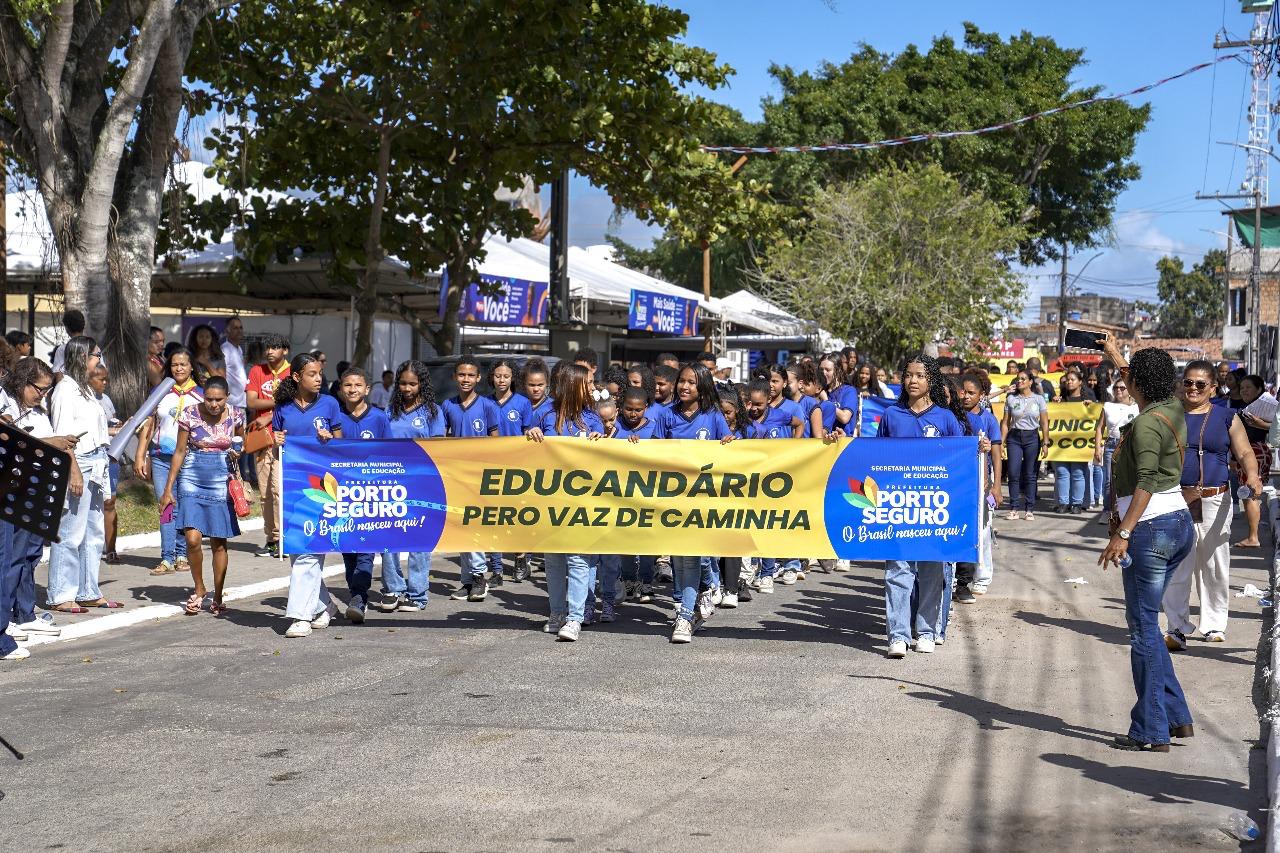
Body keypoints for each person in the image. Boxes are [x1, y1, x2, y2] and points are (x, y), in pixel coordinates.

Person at [1097, 344, 1195, 752]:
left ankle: (1150, 731)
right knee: (1149, 629)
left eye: (1128, 377)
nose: (1124, 381)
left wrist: (1123, 532)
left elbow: (1147, 479)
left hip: (1150, 530)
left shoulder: (1145, 425)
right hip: (1177, 524)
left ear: (1136, 383)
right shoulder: (1171, 407)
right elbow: (1141, 376)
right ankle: (1175, 716)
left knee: (1142, 632)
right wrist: (1113, 352)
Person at [1161, 361, 1260, 650]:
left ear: (1213, 388)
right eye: (1188, 382)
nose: (1193, 388)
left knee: (1214, 563)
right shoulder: (1168, 414)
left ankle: (1214, 624)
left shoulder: (1227, 417)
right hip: (1176, 497)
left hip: (1215, 498)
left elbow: (1245, 452)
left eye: (1200, 384)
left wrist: (1252, 475)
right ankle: (1177, 628)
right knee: (1177, 564)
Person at [877, 353, 966, 658]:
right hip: (898, 505)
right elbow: (875, 457)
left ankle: (926, 631)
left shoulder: (945, 418)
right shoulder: (891, 416)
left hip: (934, 506)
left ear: (931, 381)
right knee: (897, 570)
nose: (912, 380)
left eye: (919, 375)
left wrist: (978, 448)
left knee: (931, 569)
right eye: (908, 375)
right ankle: (898, 635)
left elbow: (960, 458)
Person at [0, 359, 79, 661]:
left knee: (28, 556)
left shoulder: (36, 410)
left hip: (33, 485)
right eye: (39, 389)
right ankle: (6, 622)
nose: (42, 395)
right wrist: (51, 442)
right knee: (8, 558)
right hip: (11, 486)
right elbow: (15, 442)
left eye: (47, 390)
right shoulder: (6, 401)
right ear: (22, 381)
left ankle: (22, 614)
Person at [654, 363, 736, 643]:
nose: (685, 386)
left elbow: (731, 450)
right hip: (674, 500)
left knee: (692, 557)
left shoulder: (713, 416)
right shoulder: (666, 415)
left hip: (702, 500)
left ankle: (685, 617)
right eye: (682, 381)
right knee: (679, 559)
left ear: (702, 387)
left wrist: (730, 444)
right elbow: (653, 453)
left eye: (691, 382)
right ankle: (702, 594)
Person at [528, 364, 604, 641]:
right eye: (588, 384)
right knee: (553, 560)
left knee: (578, 559)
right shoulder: (544, 414)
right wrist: (531, 436)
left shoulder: (593, 419)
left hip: (582, 502)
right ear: (573, 386)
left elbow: (606, 458)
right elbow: (525, 453)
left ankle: (575, 618)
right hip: (551, 501)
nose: (593, 389)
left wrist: (601, 441)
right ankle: (557, 613)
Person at [159, 376, 245, 616]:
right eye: (209, 399)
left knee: (219, 540)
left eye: (219, 400)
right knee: (192, 539)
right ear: (202, 396)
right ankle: (199, 589)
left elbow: (242, 442)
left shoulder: (237, 414)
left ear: (227, 398)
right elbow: (179, 451)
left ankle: (218, 596)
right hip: (192, 474)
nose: (214, 404)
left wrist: (238, 452)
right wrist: (168, 489)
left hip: (221, 475)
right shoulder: (189, 414)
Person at [47, 336, 118, 612]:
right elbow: (63, 436)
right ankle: (61, 593)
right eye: (96, 355)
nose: (99, 360)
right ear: (82, 356)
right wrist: (73, 471)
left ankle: (88, 590)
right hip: (80, 462)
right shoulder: (65, 390)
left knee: (93, 531)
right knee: (70, 529)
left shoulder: (85, 388)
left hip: (97, 461)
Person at [275, 353, 343, 638]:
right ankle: (324, 605)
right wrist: (276, 441)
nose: (318, 379)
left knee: (310, 547)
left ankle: (300, 617)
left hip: (323, 485)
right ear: (296, 376)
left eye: (320, 374)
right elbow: (276, 447)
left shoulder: (330, 404)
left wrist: (330, 441)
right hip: (293, 485)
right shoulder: (282, 408)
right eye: (312, 374)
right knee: (298, 549)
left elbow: (342, 445)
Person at [376, 359, 444, 613]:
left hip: (422, 483)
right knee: (387, 536)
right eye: (403, 383)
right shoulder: (388, 411)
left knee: (419, 539)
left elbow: (439, 449)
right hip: (391, 483)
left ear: (422, 384)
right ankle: (393, 588)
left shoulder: (433, 412)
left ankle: (417, 594)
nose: (407, 388)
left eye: (412, 384)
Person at [135, 348, 203, 575]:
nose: (179, 368)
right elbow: (148, 424)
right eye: (174, 365)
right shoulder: (160, 391)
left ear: (191, 367)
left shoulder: (202, 394)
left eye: (183, 364)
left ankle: (182, 555)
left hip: (189, 459)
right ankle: (166, 558)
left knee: (183, 507)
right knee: (166, 506)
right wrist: (141, 455)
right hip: (161, 458)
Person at [332, 366, 391, 622]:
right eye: (348, 385)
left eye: (358, 385)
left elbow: (390, 454)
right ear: (340, 389)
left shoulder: (379, 418)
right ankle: (355, 593)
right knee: (348, 548)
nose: (352, 389)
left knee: (366, 547)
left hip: (372, 493)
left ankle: (359, 596)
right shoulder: (334, 418)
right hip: (344, 494)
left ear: (367, 389)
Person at [442, 356, 500, 601]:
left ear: (478, 378)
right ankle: (466, 581)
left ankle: (479, 576)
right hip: (455, 475)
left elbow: (497, 443)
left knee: (474, 525)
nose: (466, 379)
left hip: (479, 476)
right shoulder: (447, 405)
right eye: (461, 375)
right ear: (455, 377)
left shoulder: (487, 406)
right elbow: (442, 440)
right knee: (460, 526)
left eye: (470, 375)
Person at [486, 358, 533, 584]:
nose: (501, 380)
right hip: (492, 468)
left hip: (517, 469)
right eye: (498, 376)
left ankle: (521, 558)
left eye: (506, 376)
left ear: (513, 378)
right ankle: (496, 569)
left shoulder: (523, 403)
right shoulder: (484, 403)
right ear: (491, 377)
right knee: (494, 520)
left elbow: (528, 436)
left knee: (516, 518)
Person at [956, 372, 1001, 601]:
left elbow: (997, 454)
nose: (966, 396)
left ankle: (982, 578)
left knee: (982, 530)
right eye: (963, 392)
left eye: (971, 393)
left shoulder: (989, 420)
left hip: (981, 483)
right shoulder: (952, 417)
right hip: (957, 483)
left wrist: (996, 486)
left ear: (981, 395)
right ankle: (956, 580)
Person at [246, 333, 291, 558]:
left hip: (284, 438)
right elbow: (251, 401)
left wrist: (271, 415)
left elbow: (298, 403)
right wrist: (280, 403)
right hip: (262, 439)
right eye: (267, 348)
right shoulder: (257, 370)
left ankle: (284, 538)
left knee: (278, 490)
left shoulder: (293, 372)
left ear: (285, 350)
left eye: (275, 347)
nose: (270, 351)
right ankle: (271, 539)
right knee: (264, 493)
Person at [1001, 370, 1049, 520]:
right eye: (1018, 379)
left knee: (1030, 474)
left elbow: (1044, 422)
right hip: (1014, 438)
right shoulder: (1011, 399)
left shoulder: (1039, 399)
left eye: (1023, 379)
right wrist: (1001, 442)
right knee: (1013, 473)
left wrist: (1045, 442)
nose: (1019, 381)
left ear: (1030, 382)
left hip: (1032, 437)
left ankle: (1029, 509)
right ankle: (1014, 508)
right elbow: (1005, 423)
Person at [1234, 374, 1272, 548]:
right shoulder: (1248, 408)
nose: (1244, 391)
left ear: (1259, 389)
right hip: (1259, 451)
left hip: (1254, 452)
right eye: (1242, 388)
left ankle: (1253, 537)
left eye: (1248, 387)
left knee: (1249, 495)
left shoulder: (1260, 408)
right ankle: (1252, 535)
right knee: (1251, 495)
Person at [90, 365, 122, 564]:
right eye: (100, 379)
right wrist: (112, 431)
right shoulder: (82, 400)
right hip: (91, 456)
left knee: (109, 502)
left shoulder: (106, 399)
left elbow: (113, 423)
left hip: (110, 457)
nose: (105, 383)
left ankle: (110, 549)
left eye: (106, 379)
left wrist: (122, 427)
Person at [1095, 378, 1138, 521]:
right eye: (1116, 388)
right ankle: (1107, 510)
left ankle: (1127, 511)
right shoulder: (1108, 406)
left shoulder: (1137, 407)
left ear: (1129, 390)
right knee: (1109, 480)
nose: (1118, 390)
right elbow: (1100, 428)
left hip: (1130, 445)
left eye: (1122, 388)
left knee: (1130, 479)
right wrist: (1097, 448)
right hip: (1112, 444)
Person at [1053, 370, 1095, 514]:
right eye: (1067, 380)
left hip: (1079, 444)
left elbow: (1095, 419)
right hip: (1061, 444)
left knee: (1078, 472)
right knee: (1061, 471)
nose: (1069, 382)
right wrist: (1054, 404)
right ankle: (1063, 503)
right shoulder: (1060, 400)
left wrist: (1091, 407)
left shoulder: (1087, 400)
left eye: (1072, 379)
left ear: (1080, 382)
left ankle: (1077, 503)